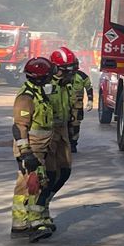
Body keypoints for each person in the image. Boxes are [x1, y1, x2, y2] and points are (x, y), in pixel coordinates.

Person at [11, 57, 58, 242]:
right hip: (31, 149)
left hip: (41, 147)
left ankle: (20, 224)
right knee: (33, 185)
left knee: (25, 185)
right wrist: (26, 153)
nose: (50, 78)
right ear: (39, 77)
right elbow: (19, 126)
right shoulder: (26, 97)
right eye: (47, 75)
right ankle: (34, 223)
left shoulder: (39, 92)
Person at [44, 47, 77, 207]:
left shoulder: (66, 86)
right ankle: (39, 209)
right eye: (66, 71)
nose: (70, 74)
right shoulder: (45, 86)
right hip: (47, 136)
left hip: (62, 134)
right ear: (56, 69)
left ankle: (46, 201)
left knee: (64, 172)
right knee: (47, 175)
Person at [67, 55, 95, 152]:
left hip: (76, 106)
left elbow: (89, 88)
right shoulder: (61, 76)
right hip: (63, 106)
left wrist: (90, 100)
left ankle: (73, 144)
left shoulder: (82, 76)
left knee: (75, 125)